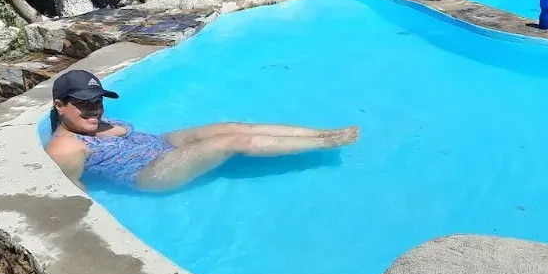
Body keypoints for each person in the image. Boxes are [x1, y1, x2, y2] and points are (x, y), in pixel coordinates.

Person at [44, 70, 360, 193]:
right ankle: (324, 145)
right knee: (233, 140)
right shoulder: (65, 148)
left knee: (233, 126)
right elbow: (75, 195)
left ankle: (324, 133)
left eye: (98, 101)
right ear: (60, 105)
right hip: (150, 173)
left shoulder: (91, 123)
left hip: (159, 144)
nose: (95, 109)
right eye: (84, 104)